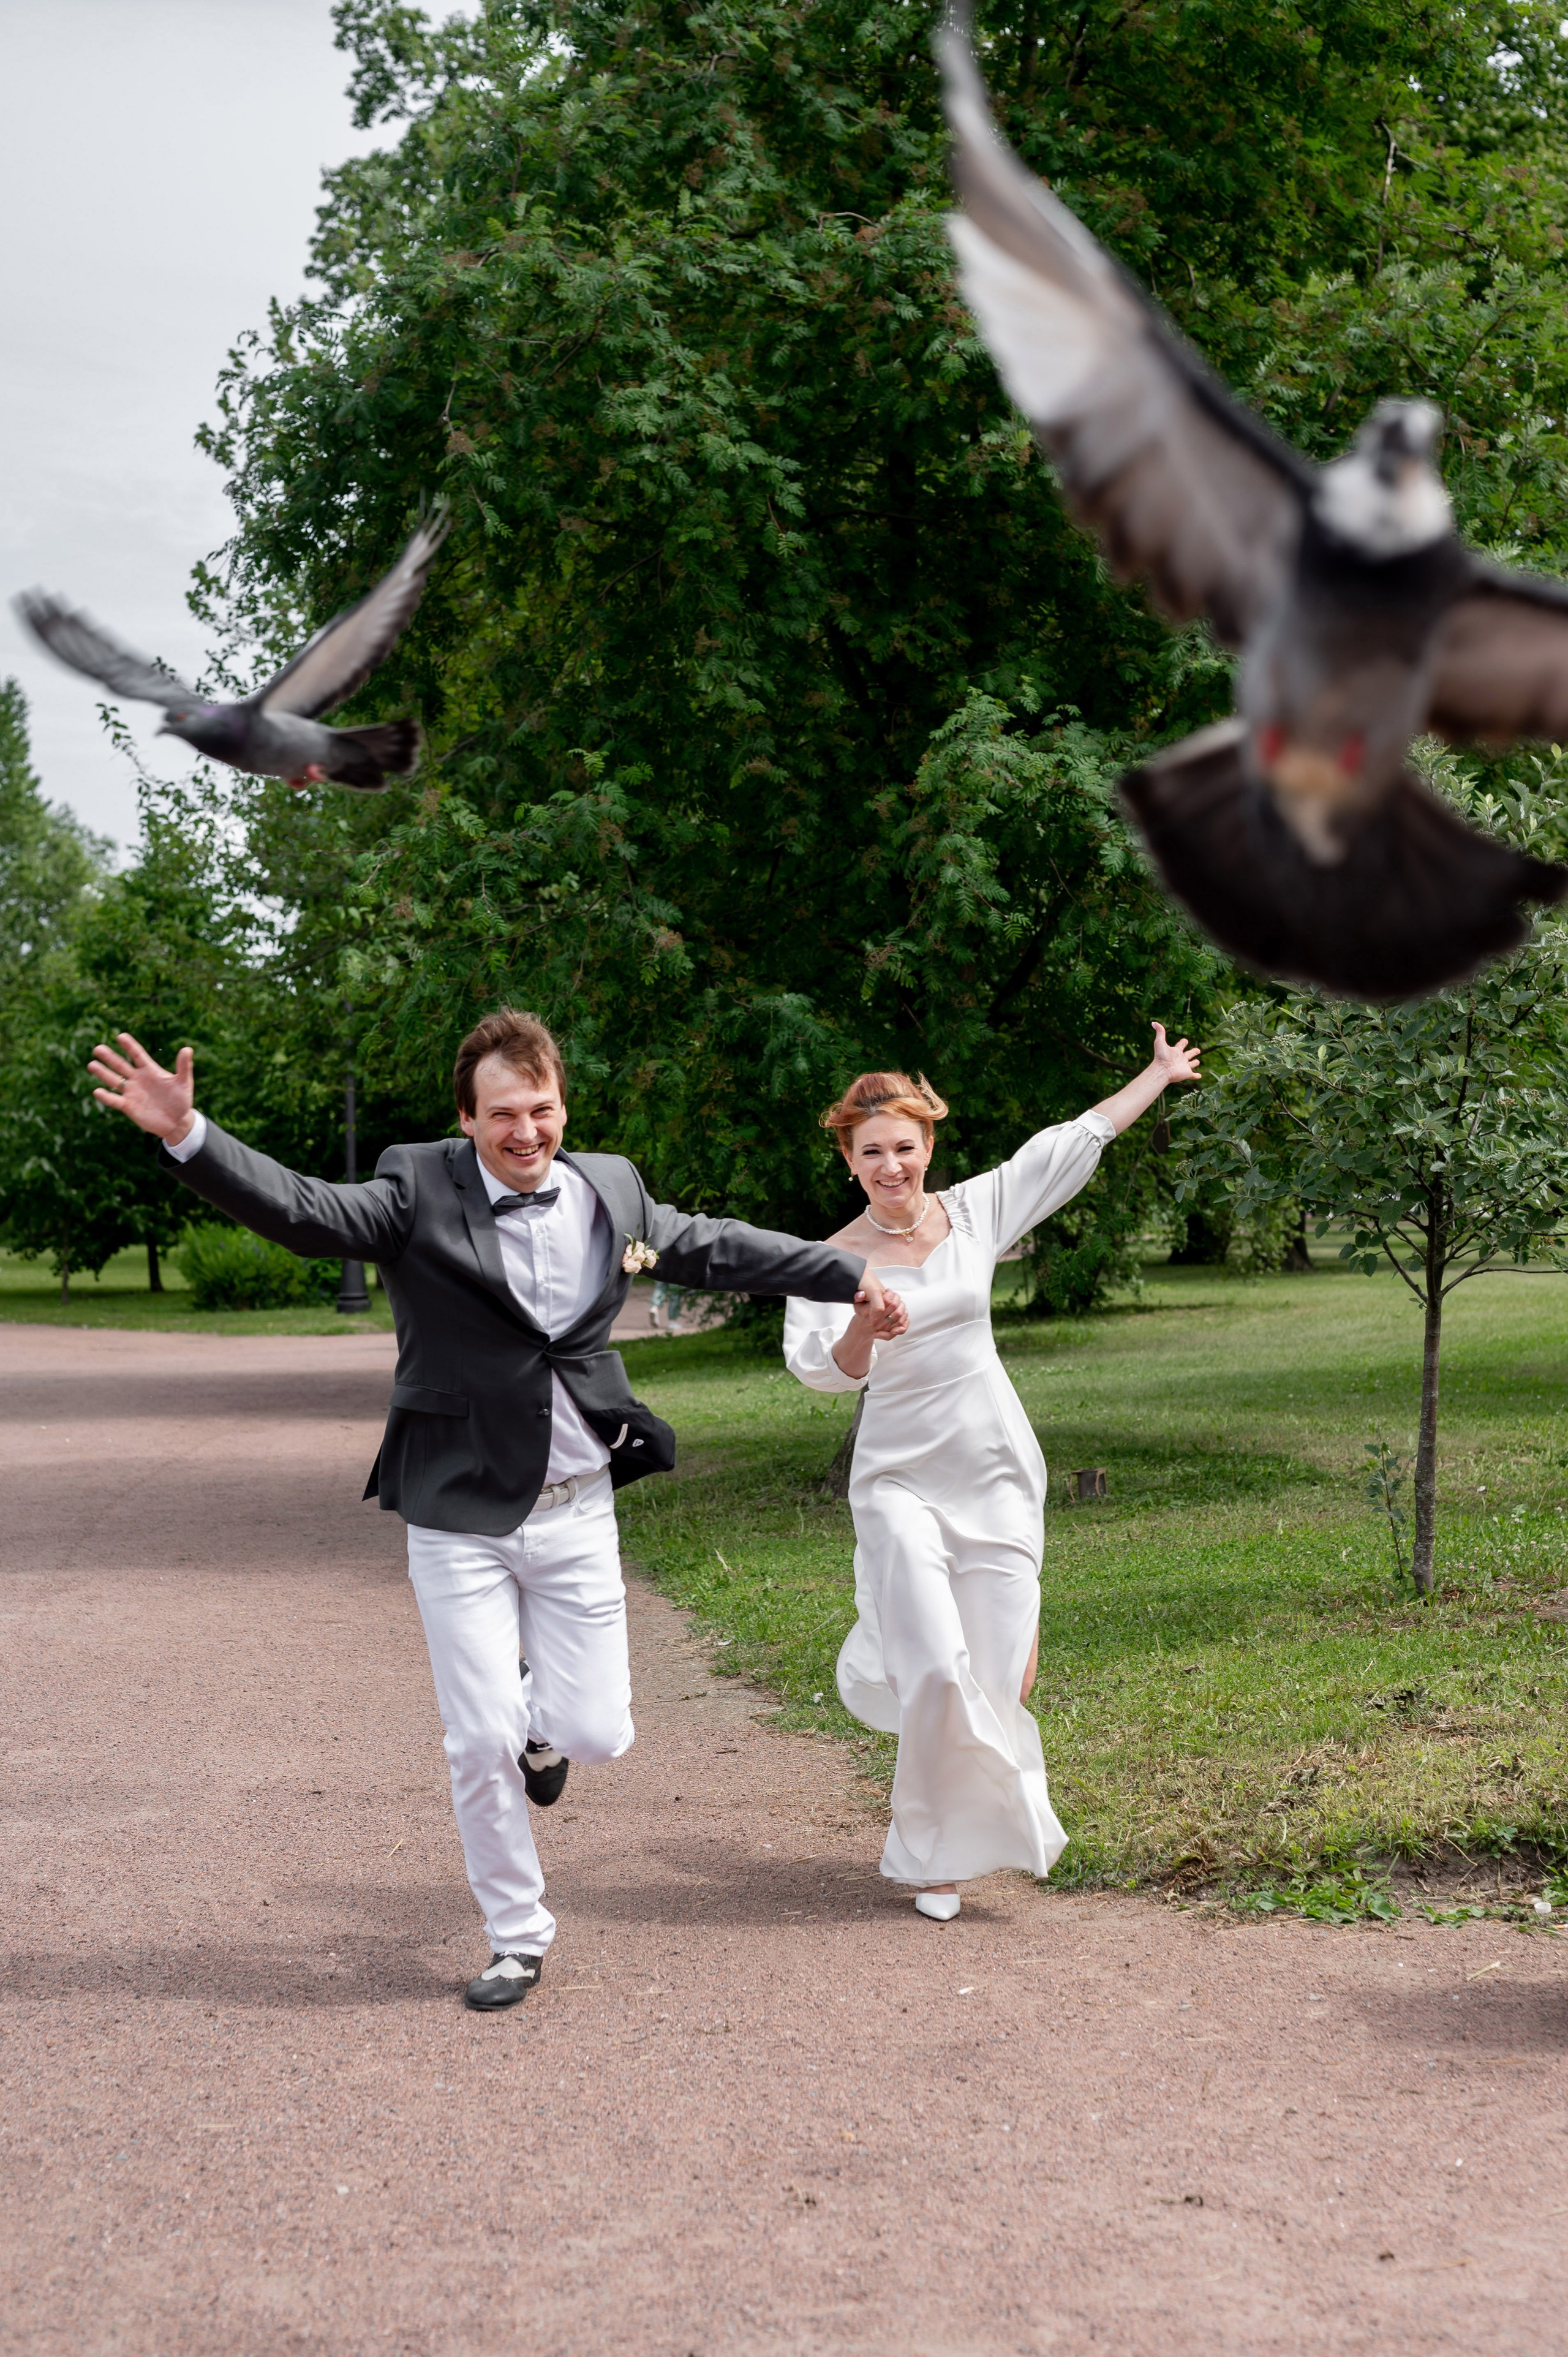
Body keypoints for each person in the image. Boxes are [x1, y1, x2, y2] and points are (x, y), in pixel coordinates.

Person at [88, 1008, 899, 2009]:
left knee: (599, 1734)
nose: (526, 1131)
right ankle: (517, 1935)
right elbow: (306, 1210)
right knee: (475, 1742)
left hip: (576, 1504)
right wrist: (188, 1134)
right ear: (466, 1119)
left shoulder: (612, 1189)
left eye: (541, 1108)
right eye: (503, 1113)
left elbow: (717, 1248)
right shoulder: (414, 1187)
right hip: (458, 1512)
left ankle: (538, 1726)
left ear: (564, 1106)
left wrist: (848, 1272)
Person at [783, 1022, 1200, 1920]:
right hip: (897, 1479)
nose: (891, 1166)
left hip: (995, 1467)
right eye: (871, 1152)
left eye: (904, 1147)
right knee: (937, 1668)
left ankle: (962, 1832)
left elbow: (1072, 1143)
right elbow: (824, 1372)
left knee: (1002, 1678)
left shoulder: (975, 1213)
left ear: (928, 1147)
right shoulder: (829, 1262)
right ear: (849, 1162)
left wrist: (1157, 1075)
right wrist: (865, 1325)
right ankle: (932, 1856)